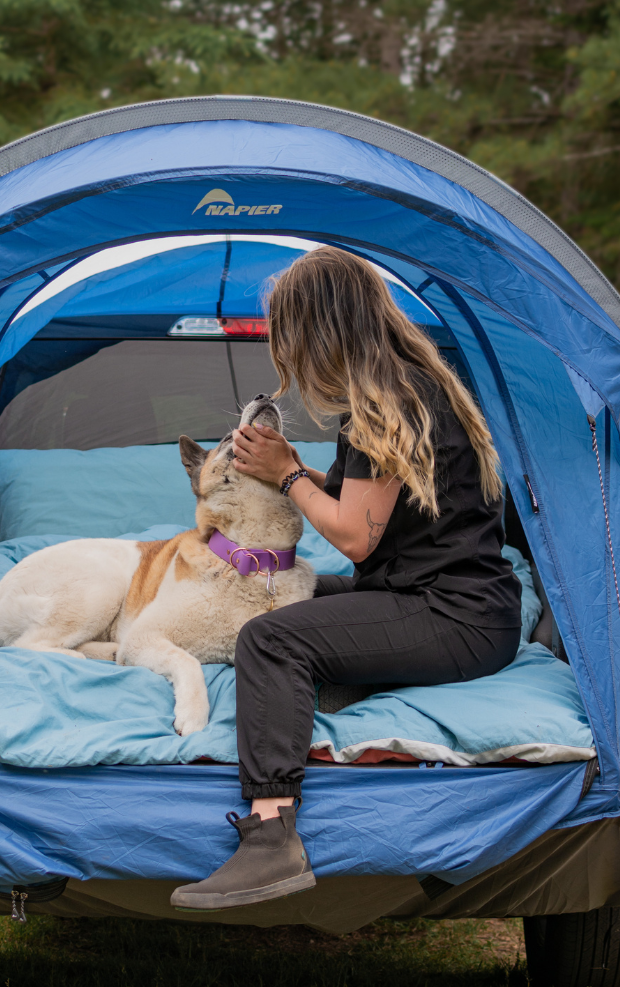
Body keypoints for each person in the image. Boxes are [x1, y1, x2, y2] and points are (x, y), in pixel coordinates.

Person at [170, 246, 523, 912]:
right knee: (297, 584)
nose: (289, 356)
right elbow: (384, 509)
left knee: (272, 640)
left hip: (453, 615)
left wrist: (287, 475)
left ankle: (271, 836)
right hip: (455, 601)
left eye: (289, 336)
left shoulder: (381, 405)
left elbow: (356, 535)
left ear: (320, 329)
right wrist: (307, 472)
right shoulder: (415, 383)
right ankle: (315, 696)